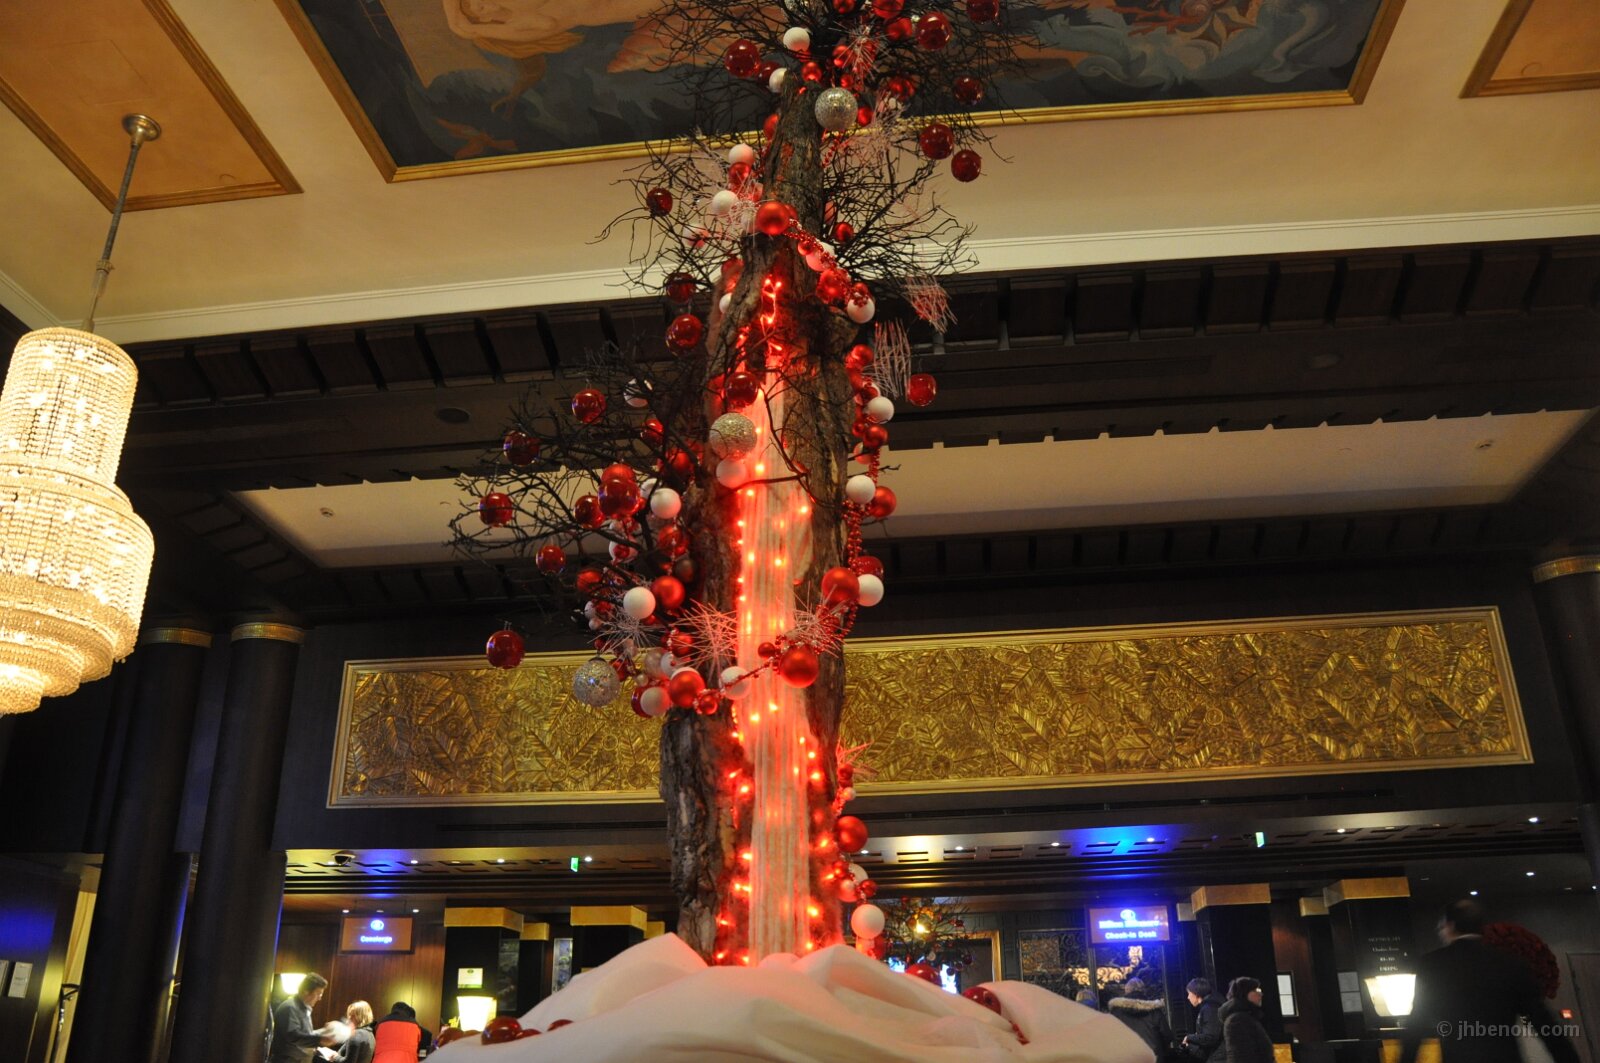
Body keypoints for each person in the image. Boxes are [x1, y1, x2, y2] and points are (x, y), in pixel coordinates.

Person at [1401, 899, 1579, 1063]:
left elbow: (1417, 1023)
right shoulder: (1510, 963)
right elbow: (1543, 1022)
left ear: (1450, 926)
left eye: (1441, 927)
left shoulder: (1432, 965)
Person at [270, 974, 333, 1063]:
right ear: (305, 992)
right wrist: (320, 1039)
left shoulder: (303, 1008)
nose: (320, 998)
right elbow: (293, 1035)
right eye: (318, 993)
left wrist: (324, 1032)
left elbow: (305, 1033)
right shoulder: (290, 1008)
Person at [1108, 976, 1174, 1059]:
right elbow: (1167, 1036)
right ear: (1143, 990)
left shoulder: (1117, 1012)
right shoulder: (1154, 1010)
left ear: (1127, 990)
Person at [1220, 977, 1274, 1063]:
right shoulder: (1237, 1020)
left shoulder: (1247, 1017)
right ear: (1244, 993)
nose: (1261, 994)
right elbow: (1242, 1056)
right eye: (1256, 990)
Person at [1180, 977, 1225, 1062]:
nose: (1188, 997)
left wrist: (1189, 1037)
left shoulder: (1210, 1009)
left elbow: (1211, 1038)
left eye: (1189, 993)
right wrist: (1190, 1046)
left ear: (1196, 994)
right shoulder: (1207, 1008)